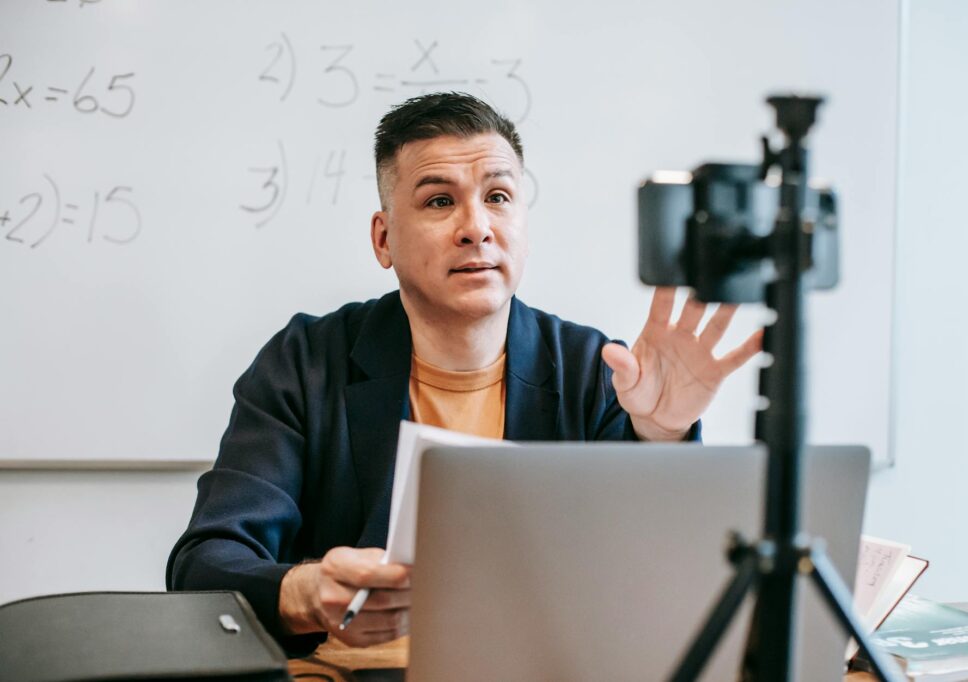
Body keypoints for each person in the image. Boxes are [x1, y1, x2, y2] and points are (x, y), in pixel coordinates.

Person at [166, 92, 761, 655]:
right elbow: (203, 565)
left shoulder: (597, 367)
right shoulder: (305, 362)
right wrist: (305, 592)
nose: (476, 226)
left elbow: (653, 584)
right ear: (383, 238)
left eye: (498, 197)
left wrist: (661, 437)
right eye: (439, 200)